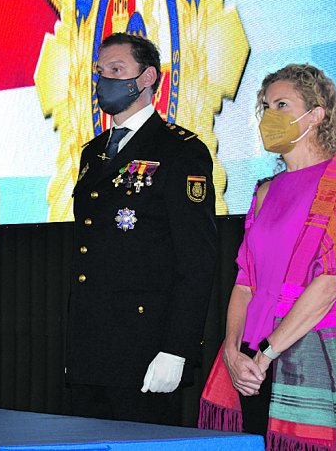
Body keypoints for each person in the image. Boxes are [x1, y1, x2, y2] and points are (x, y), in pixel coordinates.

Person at [198, 64, 336, 450]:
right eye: (265, 107)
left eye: (282, 104)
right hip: (251, 358)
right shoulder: (264, 191)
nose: (269, 116)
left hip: (300, 352)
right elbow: (245, 282)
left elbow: (328, 286)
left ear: (316, 115)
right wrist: (232, 350)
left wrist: (265, 355)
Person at [66, 32, 217, 425]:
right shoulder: (92, 152)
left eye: (117, 70)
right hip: (90, 343)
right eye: (100, 72)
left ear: (148, 77)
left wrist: (177, 348)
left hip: (145, 347)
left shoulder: (179, 150)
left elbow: (197, 259)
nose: (105, 81)